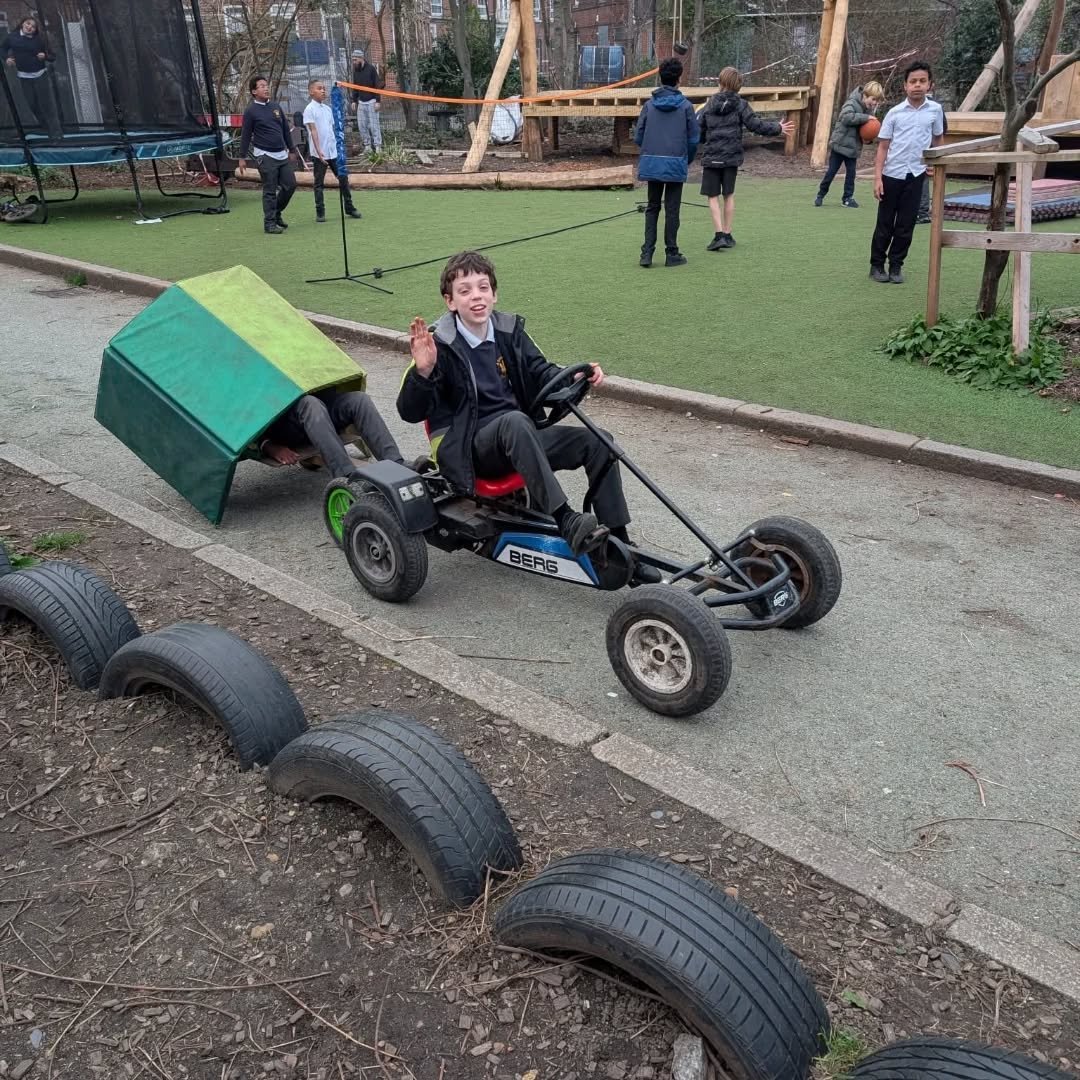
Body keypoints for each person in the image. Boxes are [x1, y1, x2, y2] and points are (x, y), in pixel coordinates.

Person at [399, 251, 656, 570]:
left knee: (599, 441)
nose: (476, 297)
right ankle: (566, 520)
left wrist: (574, 375)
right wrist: (423, 372)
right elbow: (410, 411)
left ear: (494, 294)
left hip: (520, 438)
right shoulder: (439, 347)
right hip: (470, 450)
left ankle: (619, 544)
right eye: (465, 291)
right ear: (450, 301)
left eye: (483, 288)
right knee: (515, 422)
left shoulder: (510, 332)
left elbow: (541, 370)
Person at [698, 66, 794, 250]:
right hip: (731, 156)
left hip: (712, 157)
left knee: (712, 196)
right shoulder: (741, 105)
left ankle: (718, 235)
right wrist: (777, 128)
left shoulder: (709, 104)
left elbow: (700, 131)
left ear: (721, 82)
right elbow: (755, 125)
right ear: (737, 85)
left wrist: (705, 140)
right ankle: (727, 233)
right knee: (728, 194)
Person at [870, 60, 944, 284]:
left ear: (929, 84)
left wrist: (935, 163)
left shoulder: (935, 110)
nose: (917, 85)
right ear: (905, 86)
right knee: (885, 222)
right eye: (913, 81)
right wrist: (877, 178)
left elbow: (938, 138)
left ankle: (896, 266)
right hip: (892, 174)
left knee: (906, 224)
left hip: (916, 174)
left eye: (922, 81)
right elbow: (882, 146)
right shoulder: (895, 113)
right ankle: (876, 265)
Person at [634, 57, 698, 268]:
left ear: (660, 76)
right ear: (679, 78)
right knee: (672, 209)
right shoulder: (686, 107)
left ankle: (647, 253)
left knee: (652, 207)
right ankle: (672, 253)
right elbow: (693, 139)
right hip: (675, 163)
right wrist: (686, 159)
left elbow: (638, 136)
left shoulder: (649, 106)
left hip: (652, 163)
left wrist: (649, 151)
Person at [259, 389, 404, 476]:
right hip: (282, 425)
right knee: (309, 403)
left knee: (359, 399)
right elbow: (238, 421)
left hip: (319, 407)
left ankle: (396, 464)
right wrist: (268, 445)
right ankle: (347, 474)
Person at [238, 75, 297, 236]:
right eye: (262, 86)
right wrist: (242, 157)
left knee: (290, 184)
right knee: (270, 189)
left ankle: (276, 212)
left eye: (266, 85)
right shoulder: (251, 111)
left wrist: (291, 149)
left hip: (281, 154)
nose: (266, 88)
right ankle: (269, 223)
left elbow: (285, 129)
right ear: (254, 91)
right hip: (264, 155)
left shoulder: (276, 107)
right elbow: (245, 134)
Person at [814, 81, 883, 209]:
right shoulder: (851, 103)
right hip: (840, 145)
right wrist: (866, 117)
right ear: (865, 95)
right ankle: (820, 194)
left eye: (877, 101)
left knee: (851, 174)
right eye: (873, 99)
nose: (874, 103)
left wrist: (868, 139)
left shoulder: (869, 111)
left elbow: (866, 130)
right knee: (831, 172)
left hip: (853, 148)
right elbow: (846, 117)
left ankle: (847, 198)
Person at [303, 79, 361, 223]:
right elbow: (313, 131)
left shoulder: (328, 109)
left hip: (333, 151)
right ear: (311, 92)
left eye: (324, 88)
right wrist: (319, 150)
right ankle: (320, 211)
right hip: (319, 153)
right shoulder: (309, 109)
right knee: (319, 183)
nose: (323, 91)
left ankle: (349, 207)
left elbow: (333, 130)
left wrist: (338, 148)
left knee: (343, 178)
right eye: (319, 88)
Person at [2, 16, 62, 140]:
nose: (30, 27)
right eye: (28, 24)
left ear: (35, 30)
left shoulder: (39, 39)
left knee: (47, 105)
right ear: (22, 23)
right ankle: (47, 128)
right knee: (32, 105)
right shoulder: (12, 37)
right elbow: (2, 48)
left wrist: (44, 56)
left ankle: (56, 135)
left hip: (40, 75)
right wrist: (6, 58)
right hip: (24, 77)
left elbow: (52, 56)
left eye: (33, 27)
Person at [917, 83, 949, 224]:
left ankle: (923, 212)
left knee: (923, 177)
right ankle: (920, 210)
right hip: (920, 147)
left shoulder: (935, 108)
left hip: (927, 148)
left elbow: (941, 130)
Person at [349, 48, 384, 154]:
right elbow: (355, 87)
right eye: (353, 60)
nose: (354, 62)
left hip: (372, 101)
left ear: (361, 58)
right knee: (362, 125)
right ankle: (367, 146)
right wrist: (354, 100)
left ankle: (378, 146)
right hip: (361, 102)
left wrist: (378, 100)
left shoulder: (371, 69)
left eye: (355, 60)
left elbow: (377, 85)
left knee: (374, 125)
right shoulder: (356, 72)